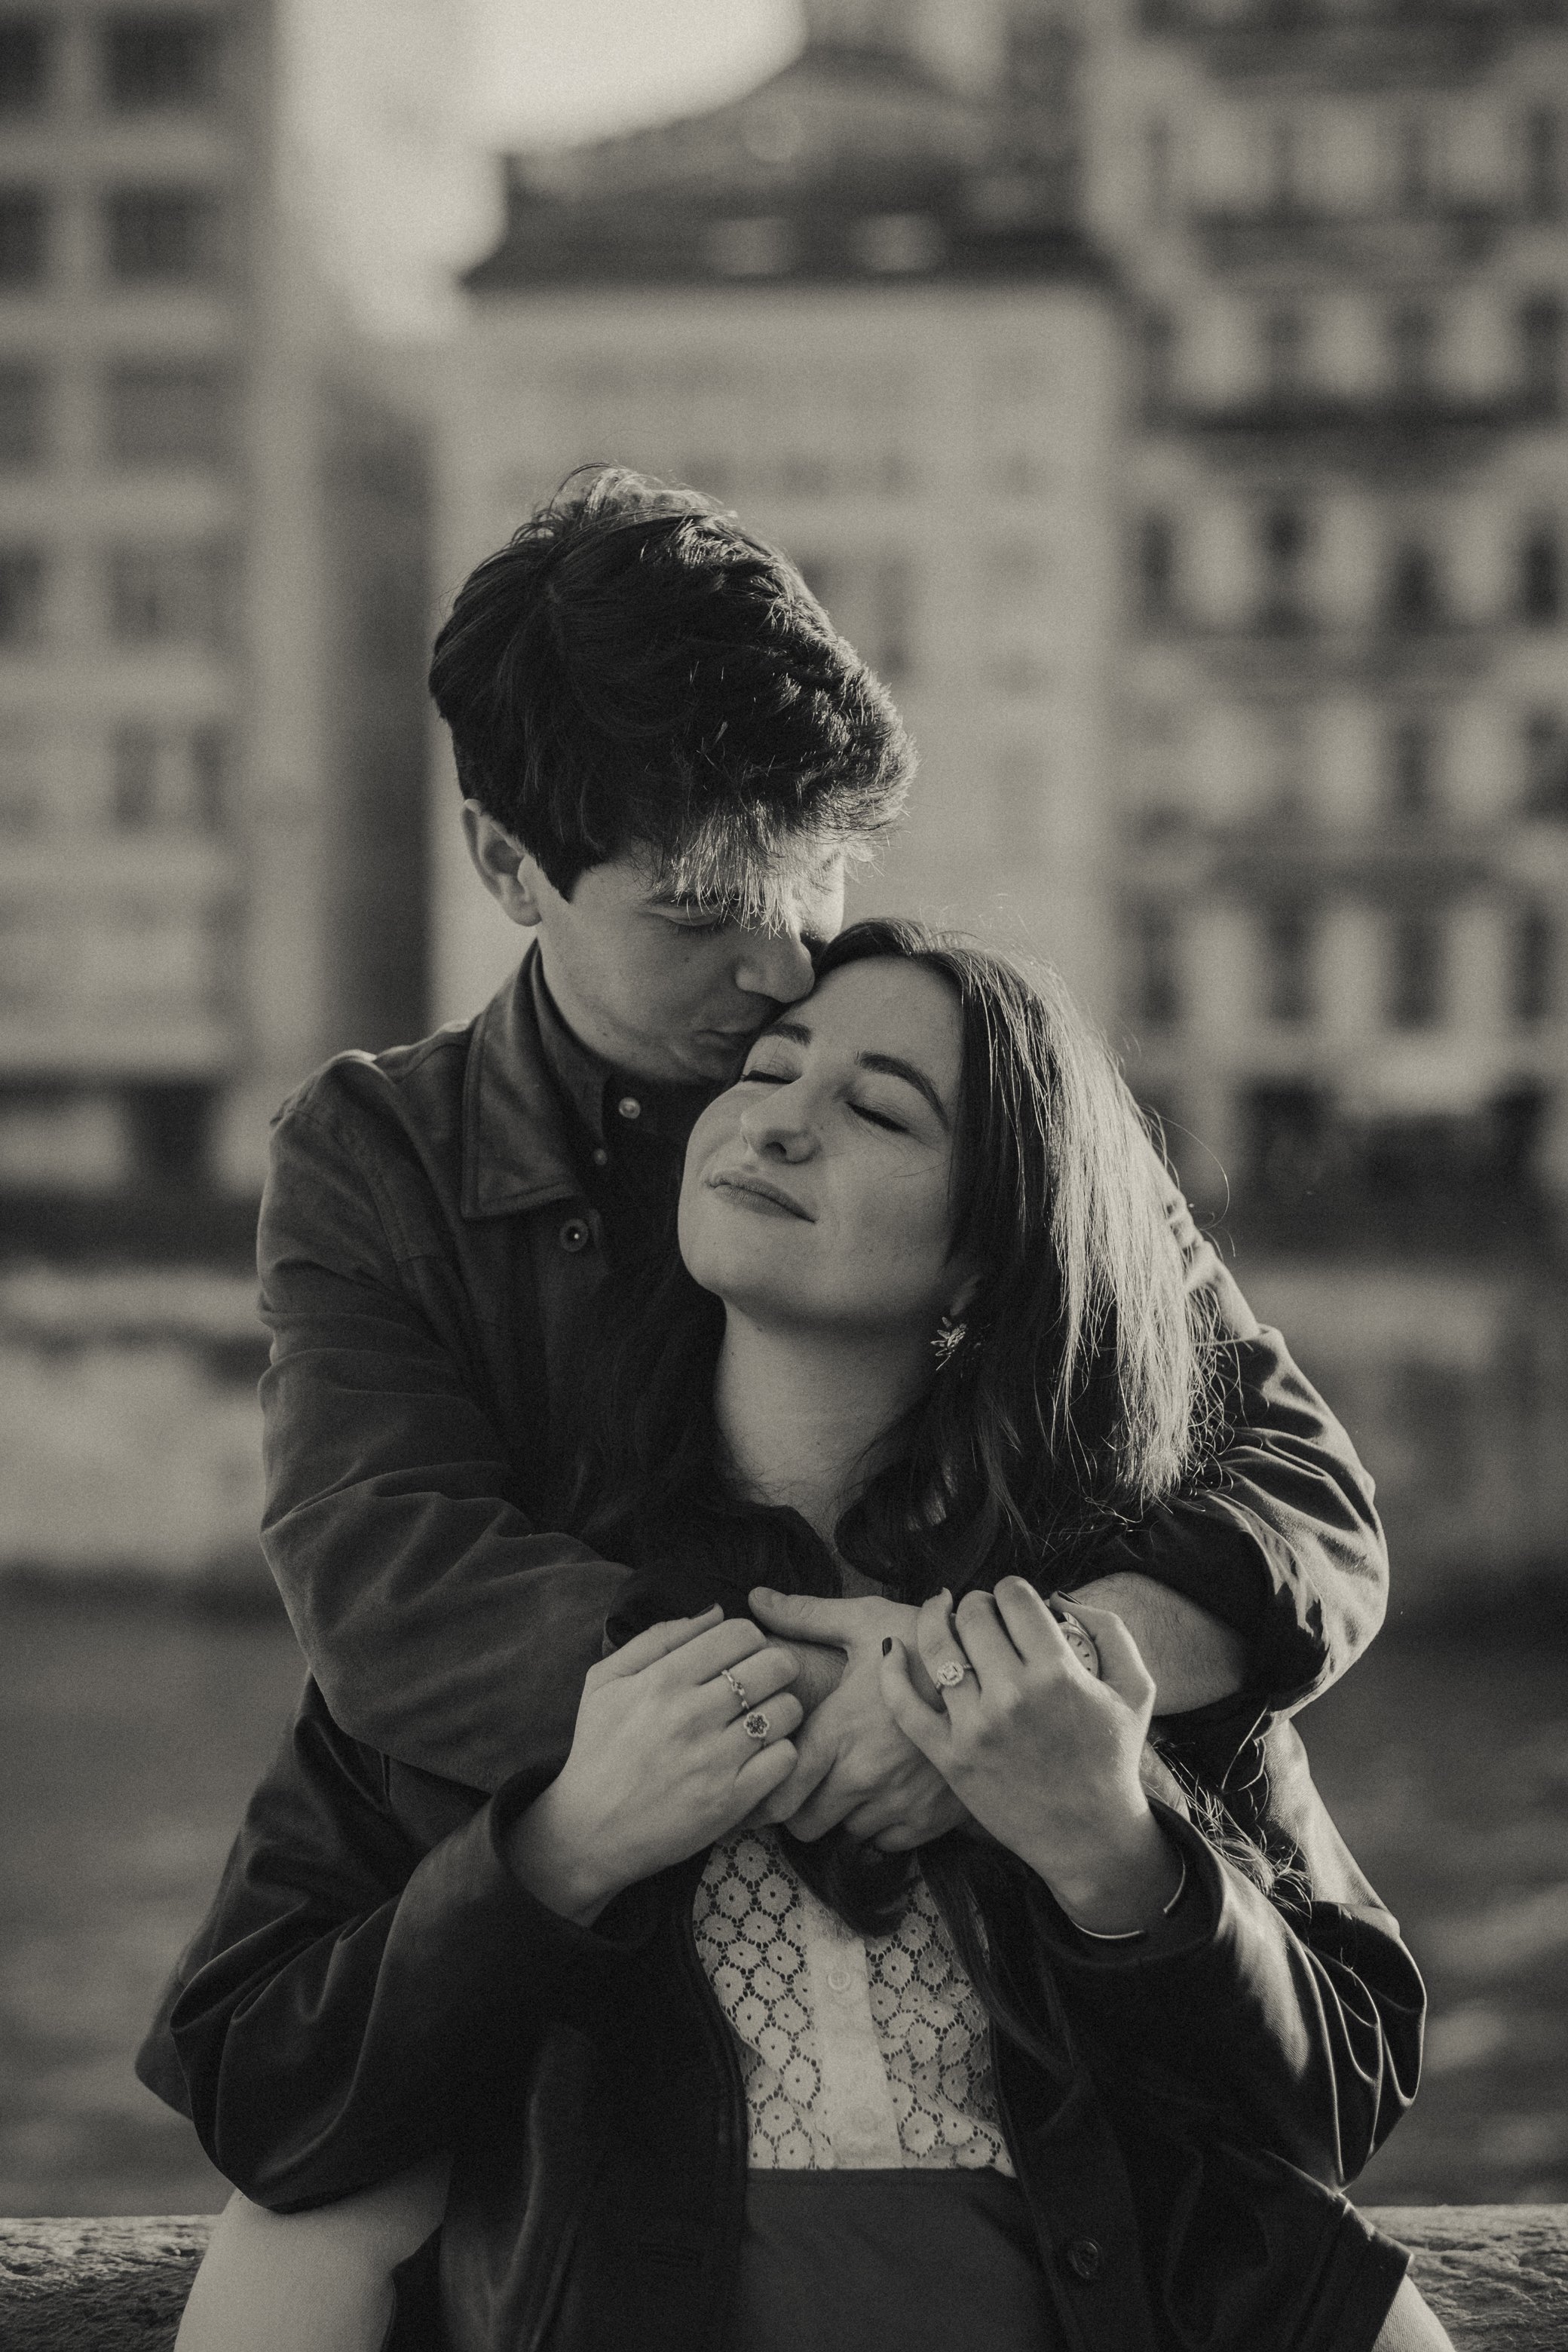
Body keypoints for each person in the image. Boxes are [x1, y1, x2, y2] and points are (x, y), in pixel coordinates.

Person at [149, 926, 1449, 2352]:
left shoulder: (1095, 1627)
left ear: (982, 1264)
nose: (779, 1119)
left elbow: (1337, 2105)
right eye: (767, 1071)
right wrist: (563, 1849)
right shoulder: (498, 1615)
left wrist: (1112, 1851)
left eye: (878, 1109)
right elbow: (254, 2086)